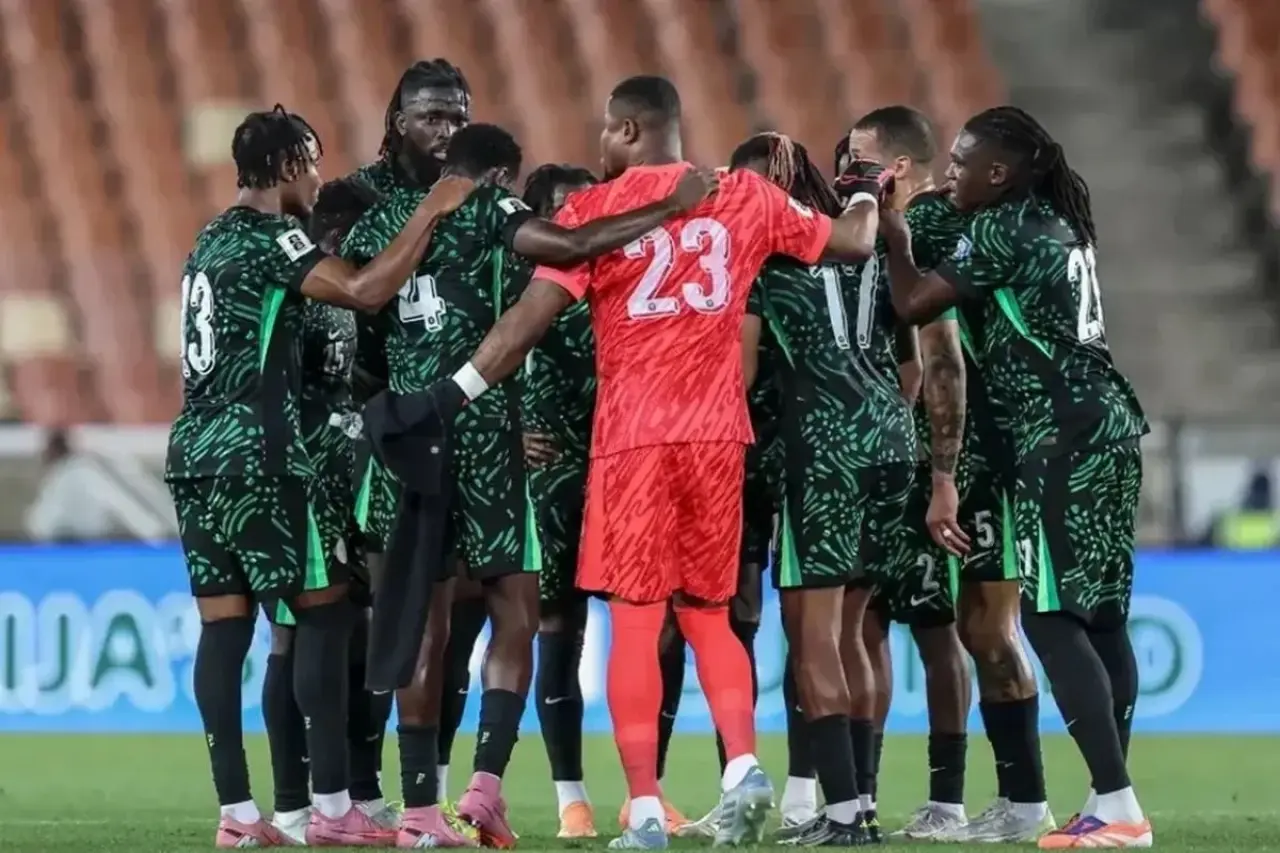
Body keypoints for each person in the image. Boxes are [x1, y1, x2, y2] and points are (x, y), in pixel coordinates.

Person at [427, 75, 887, 850]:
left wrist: (451, 395)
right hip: (718, 435)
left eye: (608, 131)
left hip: (634, 437)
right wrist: (868, 188)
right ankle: (743, 766)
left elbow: (526, 324)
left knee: (637, 623)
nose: (601, 144)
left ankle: (644, 808)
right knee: (708, 614)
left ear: (632, 129)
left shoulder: (594, 211)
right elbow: (852, 242)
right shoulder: (744, 195)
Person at [341, 120, 714, 848]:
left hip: (405, 437)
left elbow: (360, 316)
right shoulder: (491, 208)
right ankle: (484, 787)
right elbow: (569, 247)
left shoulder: (387, 220)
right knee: (517, 612)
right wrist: (671, 207)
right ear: (502, 177)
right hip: (484, 436)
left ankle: (419, 811)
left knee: (421, 623)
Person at [164, 105, 472, 848]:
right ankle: (334, 808)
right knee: (324, 614)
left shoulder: (208, 239)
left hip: (194, 453)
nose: (318, 179)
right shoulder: (275, 238)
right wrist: (431, 209)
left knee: (225, 628)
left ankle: (238, 814)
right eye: (311, 163)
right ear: (286, 165)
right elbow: (364, 291)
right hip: (261, 454)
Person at [882, 105, 1151, 849]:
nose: (949, 175)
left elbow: (912, 301)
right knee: (1103, 619)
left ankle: (1120, 809)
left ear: (998, 173)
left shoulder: (1003, 230)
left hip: (1061, 435)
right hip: (1110, 425)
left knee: (1049, 617)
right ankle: (1108, 799)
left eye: (962, 163)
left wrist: (896, 232)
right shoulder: (1053, 223)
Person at [724, 132, 904, 847]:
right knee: (857, 630)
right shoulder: (870, 251)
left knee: (812, 639)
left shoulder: (767, 260)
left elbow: (739, 378)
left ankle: (842, 816)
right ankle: (862, 802)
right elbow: (916, 359)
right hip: (891, 441)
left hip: (820, 452)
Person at [261, 176, 399, 844]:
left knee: (351, 630)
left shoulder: (334, 297)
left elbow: (348, 382)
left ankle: (352, 793)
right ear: (344, 233)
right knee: (295, 634)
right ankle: (297, 805)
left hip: (344, 478)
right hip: (300, 479)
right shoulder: (300, 289)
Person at [519, 163, 605, 839]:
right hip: (551, 486)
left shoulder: (621, 284)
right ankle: (570, 796)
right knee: (557, 633)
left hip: (622, 475)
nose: (584, 218)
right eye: (569, 208)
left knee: (652, 626)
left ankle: (648, 792)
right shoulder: (528, 292)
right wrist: (506, 428)